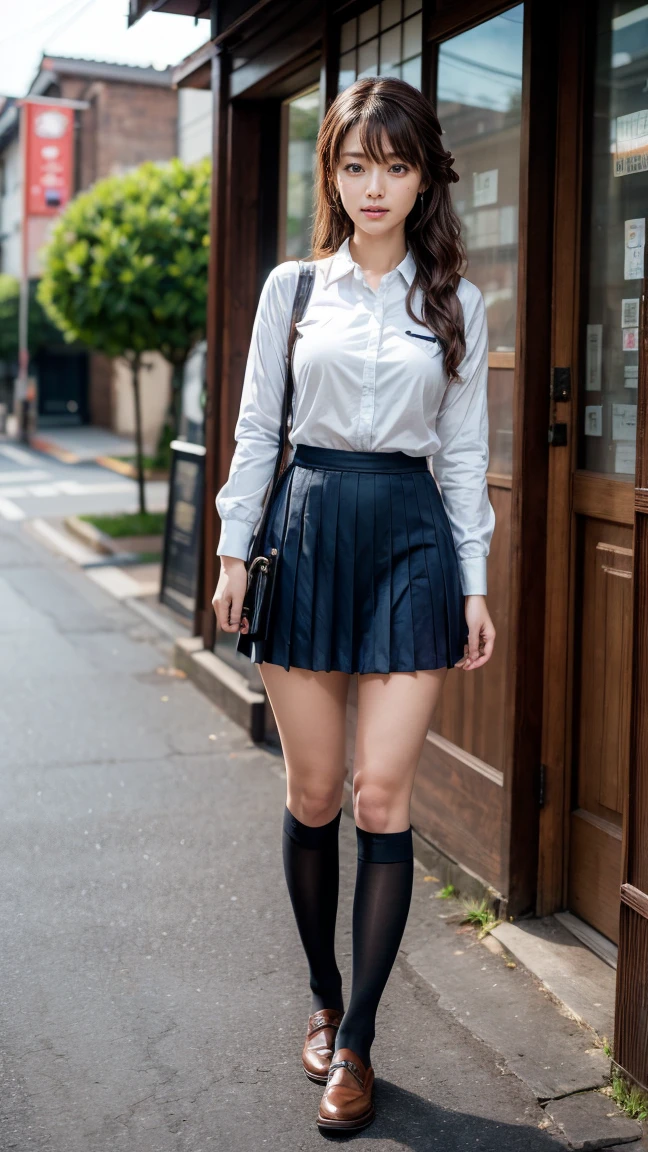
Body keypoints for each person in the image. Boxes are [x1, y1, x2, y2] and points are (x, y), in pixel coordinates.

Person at [212, 75, 496, 1133]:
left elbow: (464, 459)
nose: (375, 185)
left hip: (412, 538)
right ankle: (323, 997)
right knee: (318, 790)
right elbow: (252, 432)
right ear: (331, 173)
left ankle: (361, 1043)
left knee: (382, 795)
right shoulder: (293, 289)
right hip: (309, 524)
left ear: (425, 177)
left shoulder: (458, 303)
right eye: (355, 164)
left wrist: (475, 584)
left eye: (396, 163)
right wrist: (236, 553)